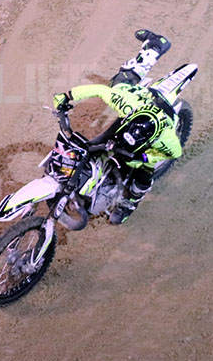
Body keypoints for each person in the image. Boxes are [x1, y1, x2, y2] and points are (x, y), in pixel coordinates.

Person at [52, 30, 181, 224]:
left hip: (145, 144)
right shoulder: (128, 105)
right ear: (130, 115)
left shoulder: (166, 137)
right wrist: (67, 96)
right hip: (140, 105)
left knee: (144, 170)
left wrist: (146, 157)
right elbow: (100, 90)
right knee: (119, 83)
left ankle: (131, 202)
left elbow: (175, 153)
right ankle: (154, 46)